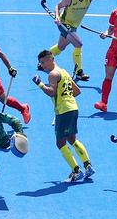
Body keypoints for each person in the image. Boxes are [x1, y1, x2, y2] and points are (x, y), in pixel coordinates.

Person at [33, 50, 95, 182]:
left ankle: (76, 171)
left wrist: (40, 84)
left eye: (43, 62)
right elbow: (77, 91)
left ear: (51, 59)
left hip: (63, 111)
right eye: (40, 63)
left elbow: (51, 93)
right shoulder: (64, 72)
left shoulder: (52, 75)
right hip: (73, 108)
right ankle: (88, 165)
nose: (42, 65)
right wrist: (66, 97)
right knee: (72, 139)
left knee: (60, 143)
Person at [48, 0, 117, 81]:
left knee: (60, 47)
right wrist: (58, 18)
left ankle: (44, 60)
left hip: (74, 26)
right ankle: (79, 72)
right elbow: (58, 6)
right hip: (64, 24)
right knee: (78, 43)